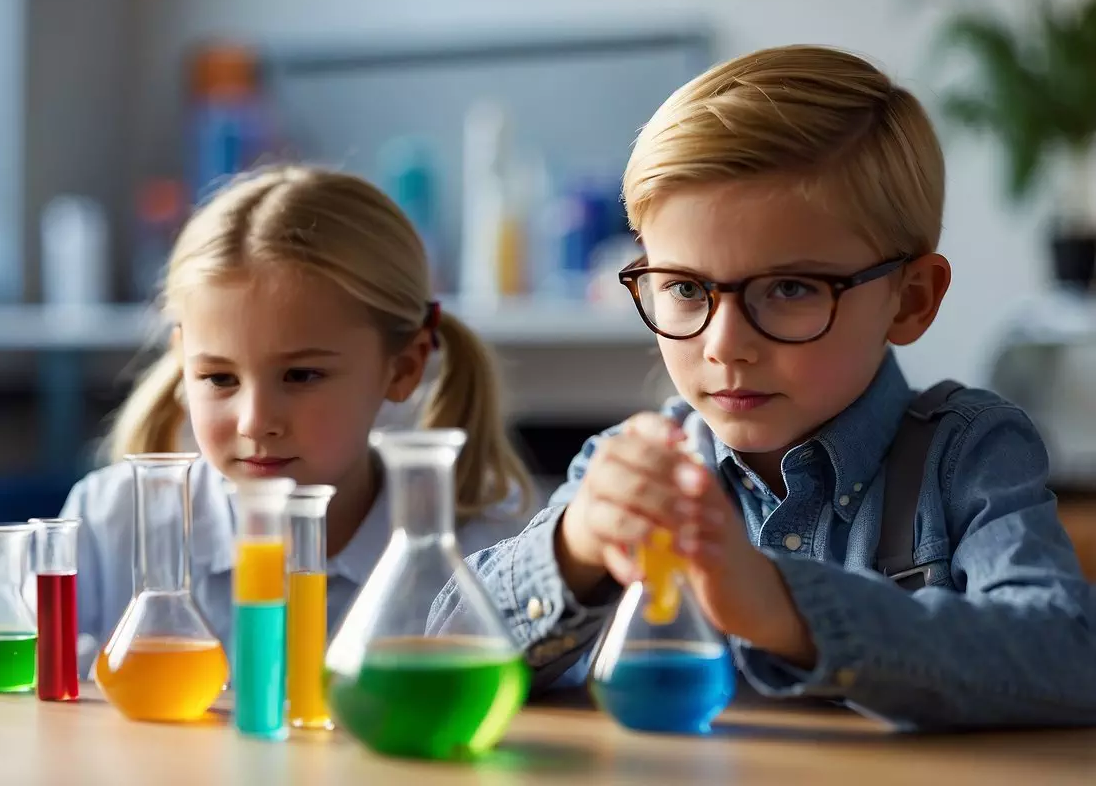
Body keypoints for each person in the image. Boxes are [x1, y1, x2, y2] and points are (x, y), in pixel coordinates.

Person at [431, 45, 1096, 730]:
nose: (722, 346)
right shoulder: (634, 469)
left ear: (909, 300)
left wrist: (785, 607)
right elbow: (435, 649)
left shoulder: (967, 456)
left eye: (789, 289)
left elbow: (1068, 654)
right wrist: (572, 549)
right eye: (685, 289)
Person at [0, 165, 533, 678]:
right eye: (219, 379)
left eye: (302, 376)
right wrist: (87, 663)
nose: (256, 421)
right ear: (182, 362)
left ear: (403, 367)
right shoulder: (116, 519)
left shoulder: (481, 546)